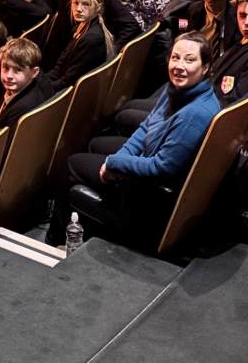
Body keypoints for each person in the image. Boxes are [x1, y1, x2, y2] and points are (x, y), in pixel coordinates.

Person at [57, 33, 220, 244]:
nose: (179, 66)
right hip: (146, 159)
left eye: (189, 60)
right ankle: (89, 231)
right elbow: (146, 127)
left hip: (148, 190)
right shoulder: (177, 89)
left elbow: (161, 168)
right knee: (95, 145)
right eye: (175, 57)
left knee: (70, 164)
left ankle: (58, 240)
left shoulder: (195, 114)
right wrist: (118, 160)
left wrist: (115, 164)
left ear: (205, 67)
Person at [0, 36, 59, 134]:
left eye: (18, 70)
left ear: (34, 72)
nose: (9, 76)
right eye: (6, 67)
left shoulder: (21, 109)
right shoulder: (34, 80)